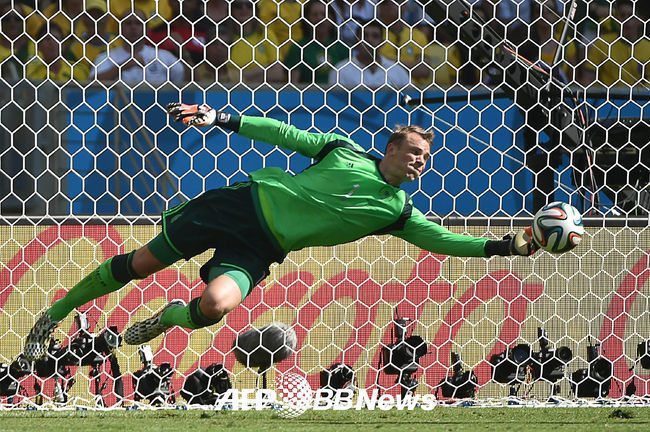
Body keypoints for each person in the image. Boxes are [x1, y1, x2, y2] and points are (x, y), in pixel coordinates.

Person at [23, 102, 537, 361]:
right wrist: (220, 118)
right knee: (141, 264)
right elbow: (285, 133)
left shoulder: (397, 211)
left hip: (263, 245)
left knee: (215, 307)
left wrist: (506, 246)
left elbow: (444, 240)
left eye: (426, 158)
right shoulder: (342, 150)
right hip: (239, 206)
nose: (421, 162)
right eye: (415, 153)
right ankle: (54, 316)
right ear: (391, 150)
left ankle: (162, 321)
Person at [91, 9, 185, 86]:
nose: (133, 27)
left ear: (147, 29)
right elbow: (92, 85)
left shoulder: (164, 57)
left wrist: (183, 52)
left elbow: (185, 82)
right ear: (120, 29)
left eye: (138, 23)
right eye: (128, 23)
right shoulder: (106, 57)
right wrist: (123, 67)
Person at [328, 20, 410, 89]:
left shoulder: (397, 70)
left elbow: (409, 98)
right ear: (356, 41)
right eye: (364, 36)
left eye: (375, 36)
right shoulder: (341, 71)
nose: (369, 40)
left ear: (382, 43)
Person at [284, 0, 349, 85]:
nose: (320, 19)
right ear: (306, 19)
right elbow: (293, 84)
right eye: (315, 15)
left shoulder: (342, 48)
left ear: (332, 18)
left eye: (324, 15)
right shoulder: (298, 48)